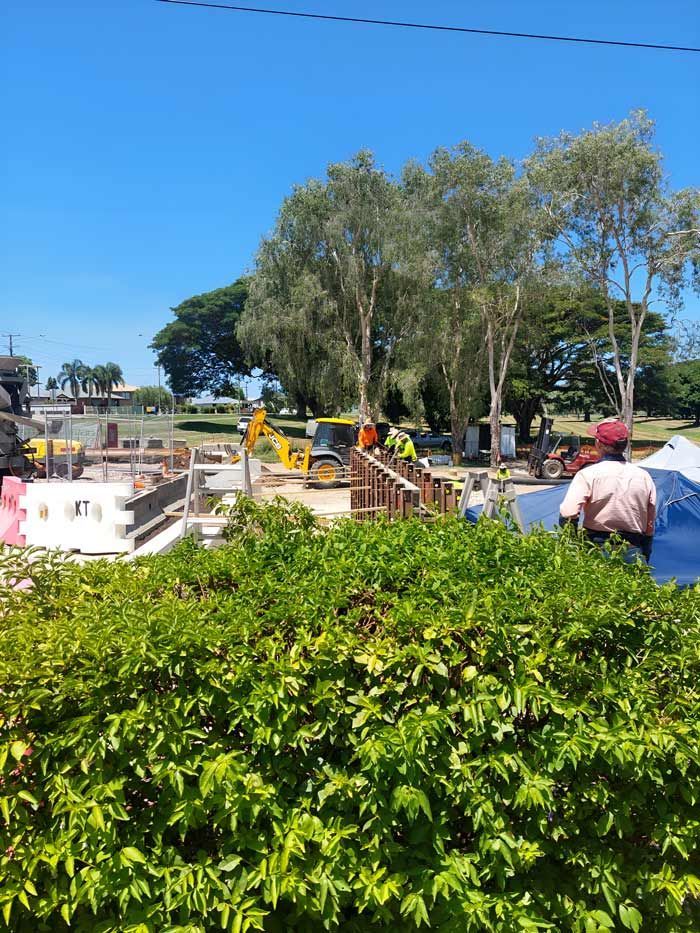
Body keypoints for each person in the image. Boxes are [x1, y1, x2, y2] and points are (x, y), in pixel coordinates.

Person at [558, 419, 656, 563]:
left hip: (595, 548)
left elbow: (568, 513)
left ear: (598, 444)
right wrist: (645, 552)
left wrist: (573, 546)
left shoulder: (588, 474)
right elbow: (650, 524)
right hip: (633, 548)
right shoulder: (644, 476)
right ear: (626, 445)